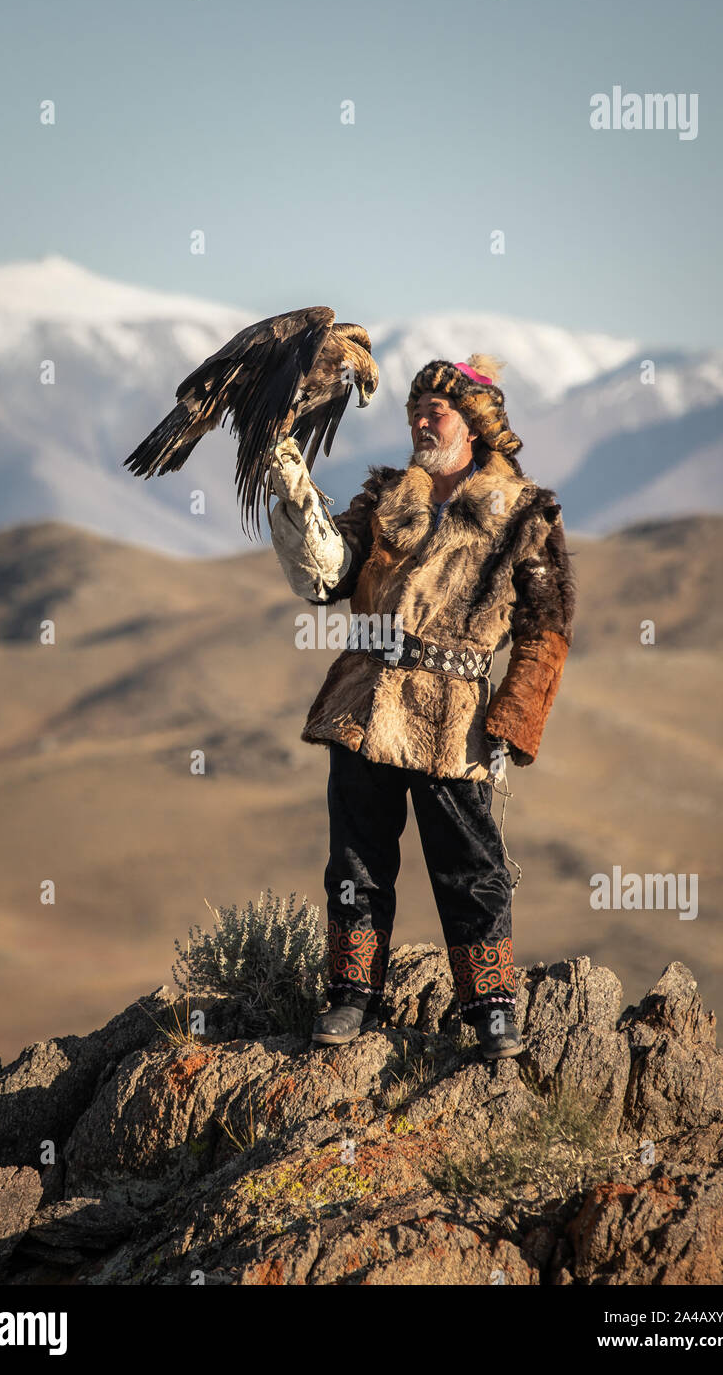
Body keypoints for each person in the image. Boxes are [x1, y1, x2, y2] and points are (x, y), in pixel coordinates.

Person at [268, 355, 576, 1059]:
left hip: (453, 715)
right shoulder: (385, 495)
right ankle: (350, 999)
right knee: (356, 863)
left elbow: (546, 628)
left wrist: (513, 723)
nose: (419, 419)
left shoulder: (523, 512)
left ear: (474, 424)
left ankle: (492, 1008)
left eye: (435, 409)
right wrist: (296, 497)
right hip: (366, 698)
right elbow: (331, 574)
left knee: (471, 867)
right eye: (415, 409)